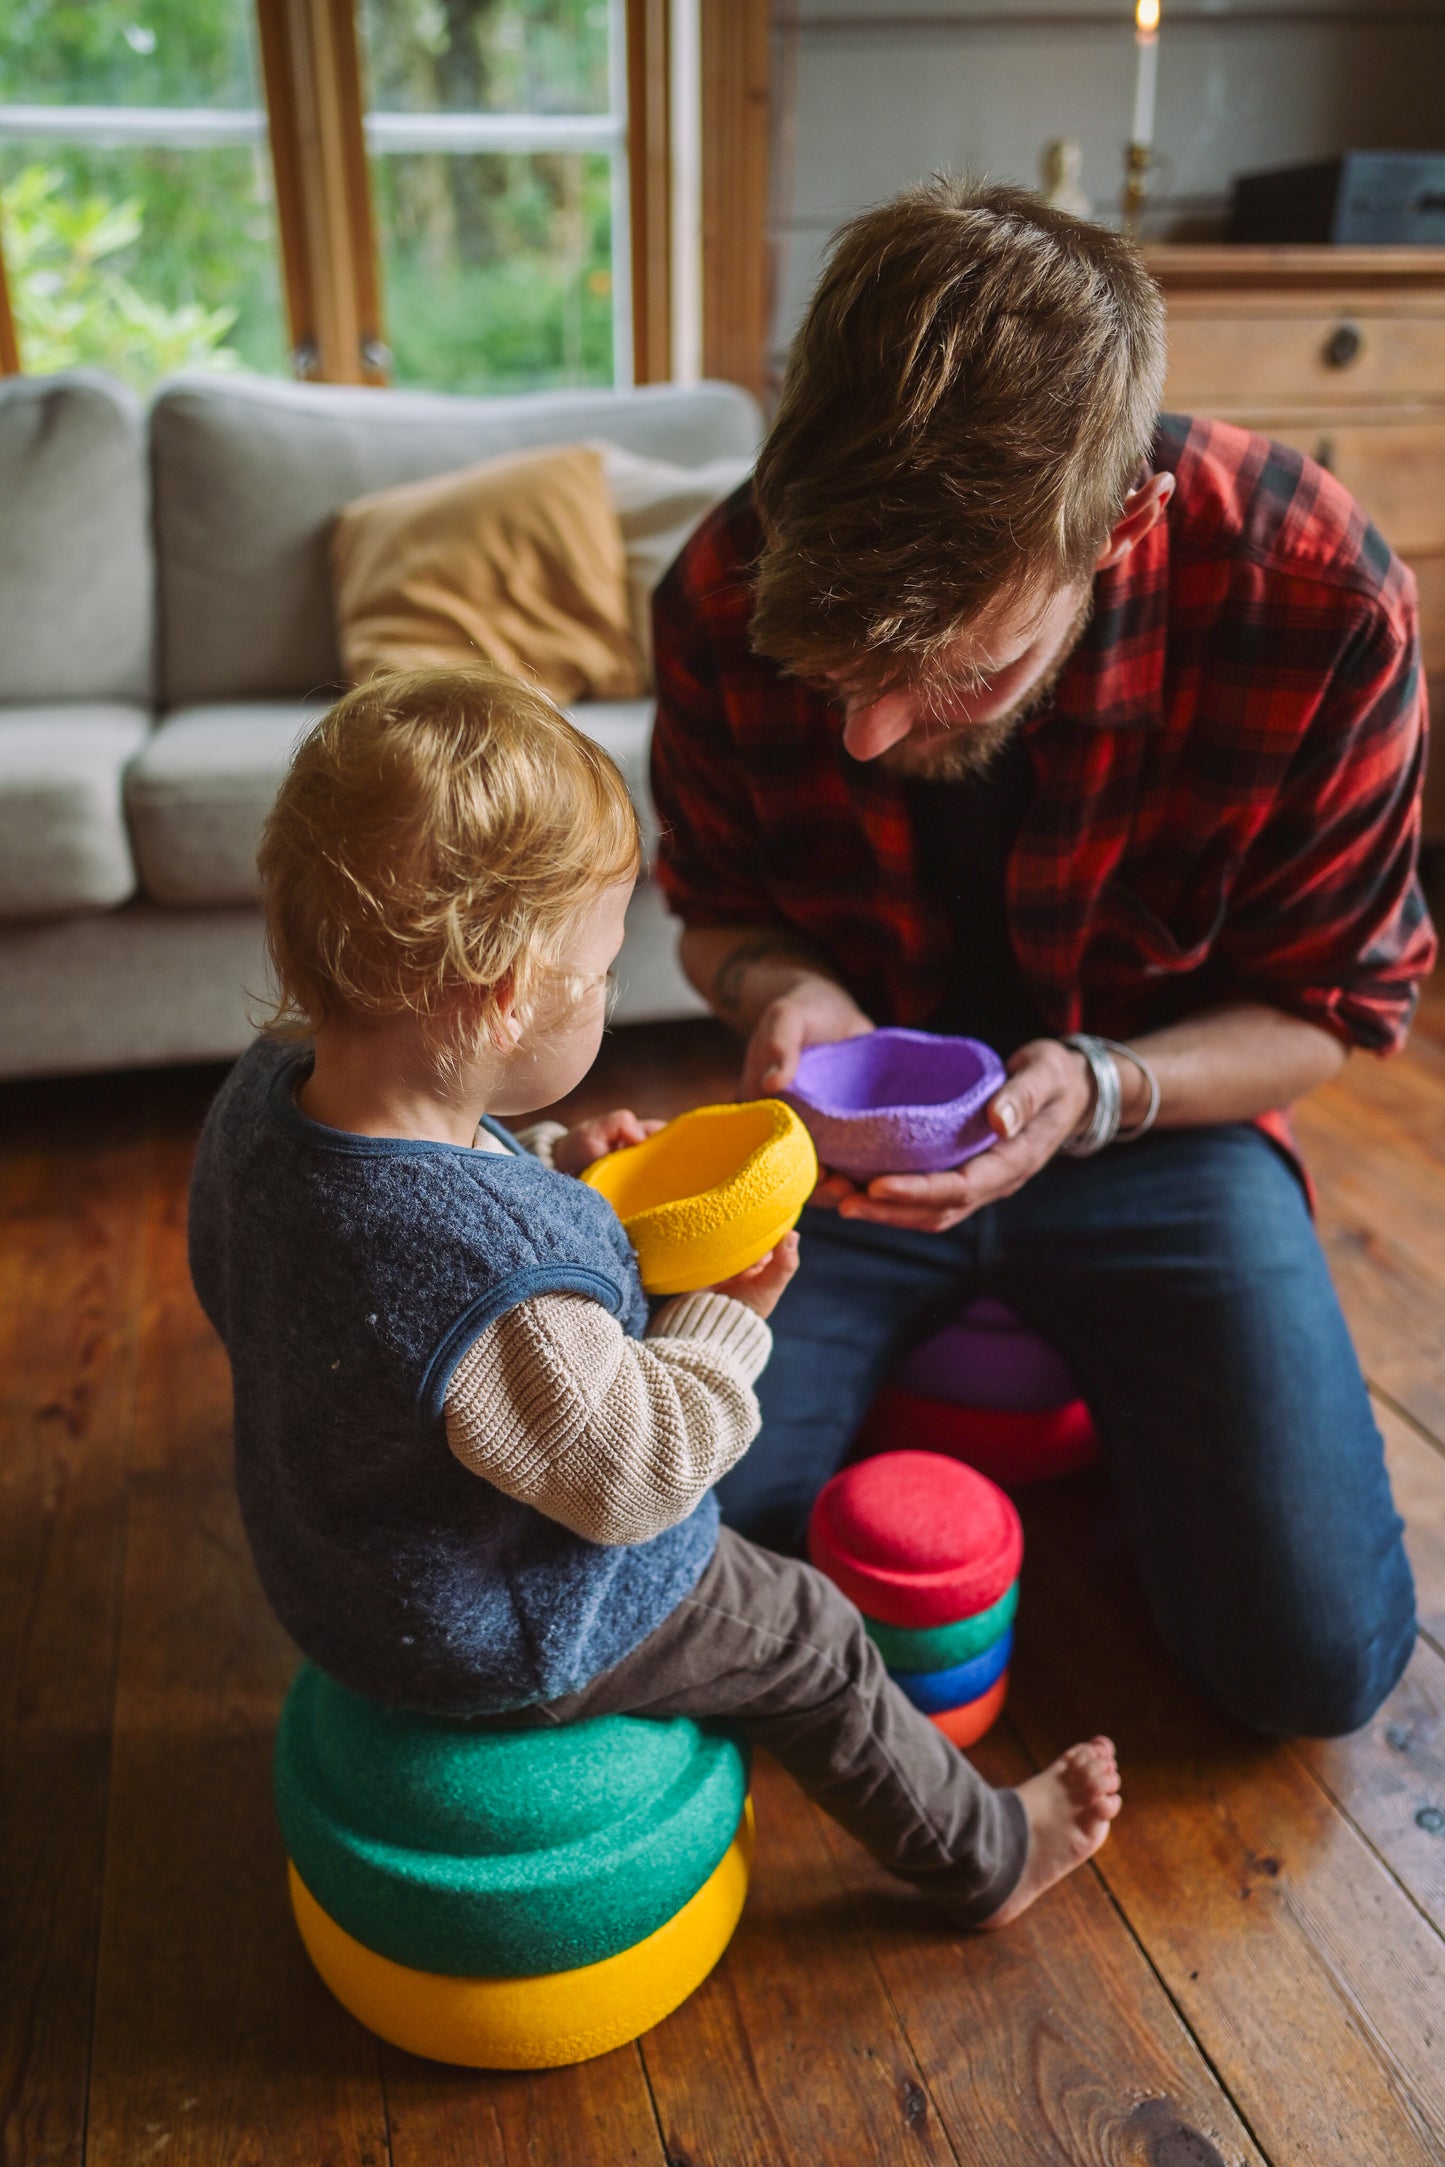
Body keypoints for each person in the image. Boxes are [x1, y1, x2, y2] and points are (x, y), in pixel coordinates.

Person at [650, 178, 1437, 1741]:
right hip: (836, 1158)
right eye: (843, 676)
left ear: (1121, 523)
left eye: (953, 668)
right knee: (643, 1561)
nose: (869, 732)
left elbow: (1334, 1008)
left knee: (1313, 1662)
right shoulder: (721, 583)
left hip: (1156, 1133)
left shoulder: (1320, 596)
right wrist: (776, 989)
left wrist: (1101, 1088)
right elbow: (717, 909)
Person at [186, 663, 1121, 1928]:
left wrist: (570, 1169)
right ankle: (987, 1855)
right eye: (603, 968)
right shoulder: (492, 1280)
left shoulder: (268, 1095)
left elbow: (366, 1243)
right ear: (509, 990)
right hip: (504, 1620)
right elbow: (637, 1478)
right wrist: (722, 1319)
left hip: (334, 1567)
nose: (609, 993)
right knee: (808, 1634)